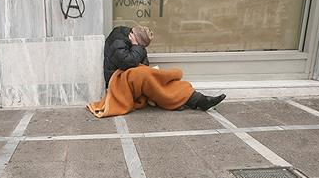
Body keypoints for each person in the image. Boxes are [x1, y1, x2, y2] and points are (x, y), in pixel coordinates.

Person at [88, 25, 225, 117]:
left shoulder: (137, 46)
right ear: (133, 37)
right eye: (141, 45)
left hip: (130, 78)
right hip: (116, 79)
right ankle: (177, 100)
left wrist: (139, 51)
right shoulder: (118, 38)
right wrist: (137, 47)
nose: (142, 48)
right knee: (145, 75)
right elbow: (126, 62)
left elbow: (144, 64)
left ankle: (199, 99)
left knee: (153, 77)